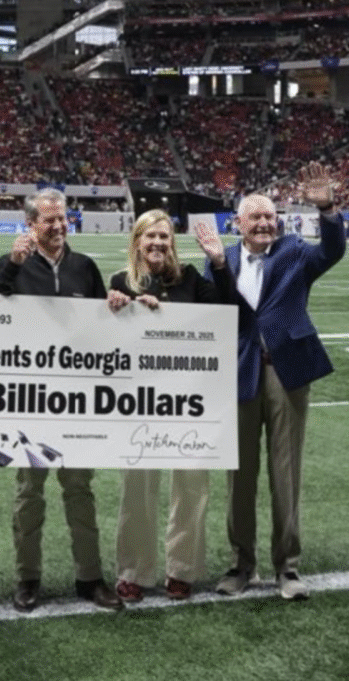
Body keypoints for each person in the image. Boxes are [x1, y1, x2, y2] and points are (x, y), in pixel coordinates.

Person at [199, 162, 346, 601]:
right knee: (239, 475)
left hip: (287, 372)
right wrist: (218, 266)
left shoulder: (297, 252)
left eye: (270, 217)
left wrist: (328, 210)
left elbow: (333, 251)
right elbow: (218, 310)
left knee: (286, 473)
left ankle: (288, 567)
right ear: (238, 224)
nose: (264, 223)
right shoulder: (220, 258)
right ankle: (241, 564)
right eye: (255, 217)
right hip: (240, 372)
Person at [0, 187, 123, 612]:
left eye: (63, 217)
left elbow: (105, 324)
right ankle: (26, 579)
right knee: (30, 494)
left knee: (80, 490)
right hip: (30, 399)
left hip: (78, 399)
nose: (59, 225)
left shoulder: (84, 267)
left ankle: (90, 577)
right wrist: (11, 267)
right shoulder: (9, 266)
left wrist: (118, 305)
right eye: (49, 219)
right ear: (30, 224)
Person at [107, 209, 226, 602]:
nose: (158, 243)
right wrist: (111, 308)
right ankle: (133, 572)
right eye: (150, 236)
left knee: (191, 486)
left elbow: (228, 315)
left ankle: (182, 569)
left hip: (189, 396)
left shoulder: (191, 279)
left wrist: (218, 263)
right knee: (137, 489)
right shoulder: (118, 282)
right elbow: (101, 342)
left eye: (164, 237)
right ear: (137, 240)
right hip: (138, 399)